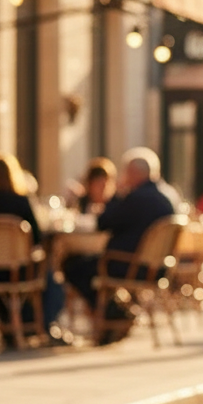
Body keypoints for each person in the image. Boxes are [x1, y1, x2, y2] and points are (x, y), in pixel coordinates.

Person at [62, 147, 174, 343]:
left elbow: (104, 221)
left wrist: (120, 192)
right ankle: (114, 314)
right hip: (156, 267)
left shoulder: (135, 197)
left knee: (73, 265)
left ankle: (113, 314)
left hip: (128, 264)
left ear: (133, 173)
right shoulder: (166, 199)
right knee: (86, 266)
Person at [0, 153, 64, 344]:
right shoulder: (19, 202)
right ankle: (42, 325)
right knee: (50, 279)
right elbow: (36, 238)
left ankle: (13, 324)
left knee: (7, 282)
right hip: (17, 272)